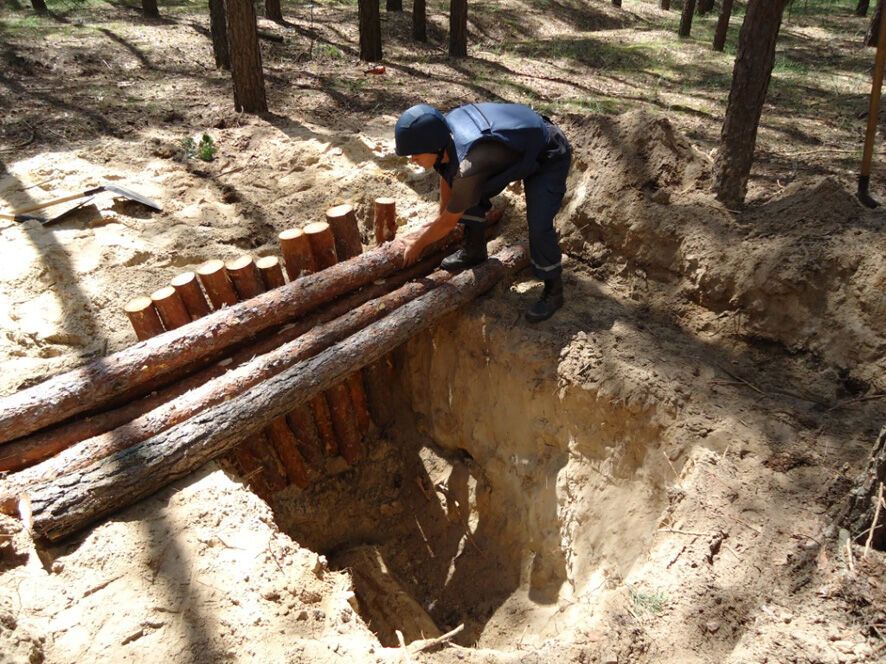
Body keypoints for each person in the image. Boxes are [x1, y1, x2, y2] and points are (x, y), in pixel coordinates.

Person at [393, 102, 572, 322]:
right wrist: (438, 216)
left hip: (547, 152)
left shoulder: (469, 165)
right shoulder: (443, 135)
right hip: (513, 148)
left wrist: (418, 245)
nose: (412, 160)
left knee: (539, 225)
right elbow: (446, 173)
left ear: (434, 146)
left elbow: (450, 221)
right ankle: (474, 251)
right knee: (466, 194)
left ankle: (554, 292)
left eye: (415, 154)